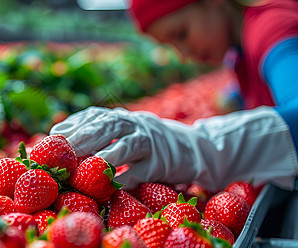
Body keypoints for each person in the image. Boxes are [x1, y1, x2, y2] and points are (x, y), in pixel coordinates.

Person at [50, 0, 298, 192]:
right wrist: (231, 99)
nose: (182, 55)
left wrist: (195, 146)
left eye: (181, 33)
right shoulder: (241, 47)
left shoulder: (274, 29)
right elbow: (253, 83)